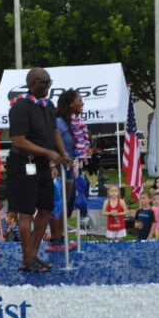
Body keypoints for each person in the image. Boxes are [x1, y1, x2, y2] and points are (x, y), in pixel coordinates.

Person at [6, 67, 72, 272]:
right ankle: (27, 260)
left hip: (43, 164)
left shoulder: (48, 105)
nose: (47, 87)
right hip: (23, 164)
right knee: (25, 213)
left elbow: (54, 131)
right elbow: (18, 140)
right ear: (31, 84)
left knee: (46, 208)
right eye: (43, 83)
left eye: (49, 82)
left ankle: (33, 255)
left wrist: (63, 153)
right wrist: (49, 153)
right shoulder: (20, 107)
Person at [47, 88, 90, 251]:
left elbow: (76, 145)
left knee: (67, 204)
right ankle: (55, 240)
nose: (82, 103)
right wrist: (53, 164)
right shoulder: (58, 122)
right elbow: (52, 145)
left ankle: (61, 236)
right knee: (58, 203)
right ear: (71, 103)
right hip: (58, 166)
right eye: (80, 100)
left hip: (71, 167)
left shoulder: (76, 123)